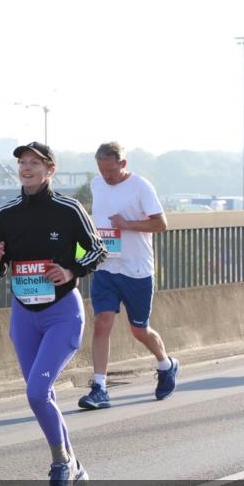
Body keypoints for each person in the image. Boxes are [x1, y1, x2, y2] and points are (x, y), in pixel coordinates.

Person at [0, 142, 106, 486]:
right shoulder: (6, 213)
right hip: (23, 315)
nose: (26, 168)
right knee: (43, 396)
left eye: (34, 163)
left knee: (36, 392)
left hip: (61, 315)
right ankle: (75, 465)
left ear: (49, 170)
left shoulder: (69, 208)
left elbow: (98, 249)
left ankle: (59, 466)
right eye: (22, 162)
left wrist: (71, 269)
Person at [78, 142, 177, 410]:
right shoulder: (97, 185)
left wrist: (128, 225)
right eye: (101, 170)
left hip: (137, 269)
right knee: (102, 322)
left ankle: (166, 364)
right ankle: (99, 387)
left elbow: (161, 223)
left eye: (110, 170)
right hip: (106, 266)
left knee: (139, 329)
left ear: (123, 164)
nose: (106, 176)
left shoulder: (141, 186)